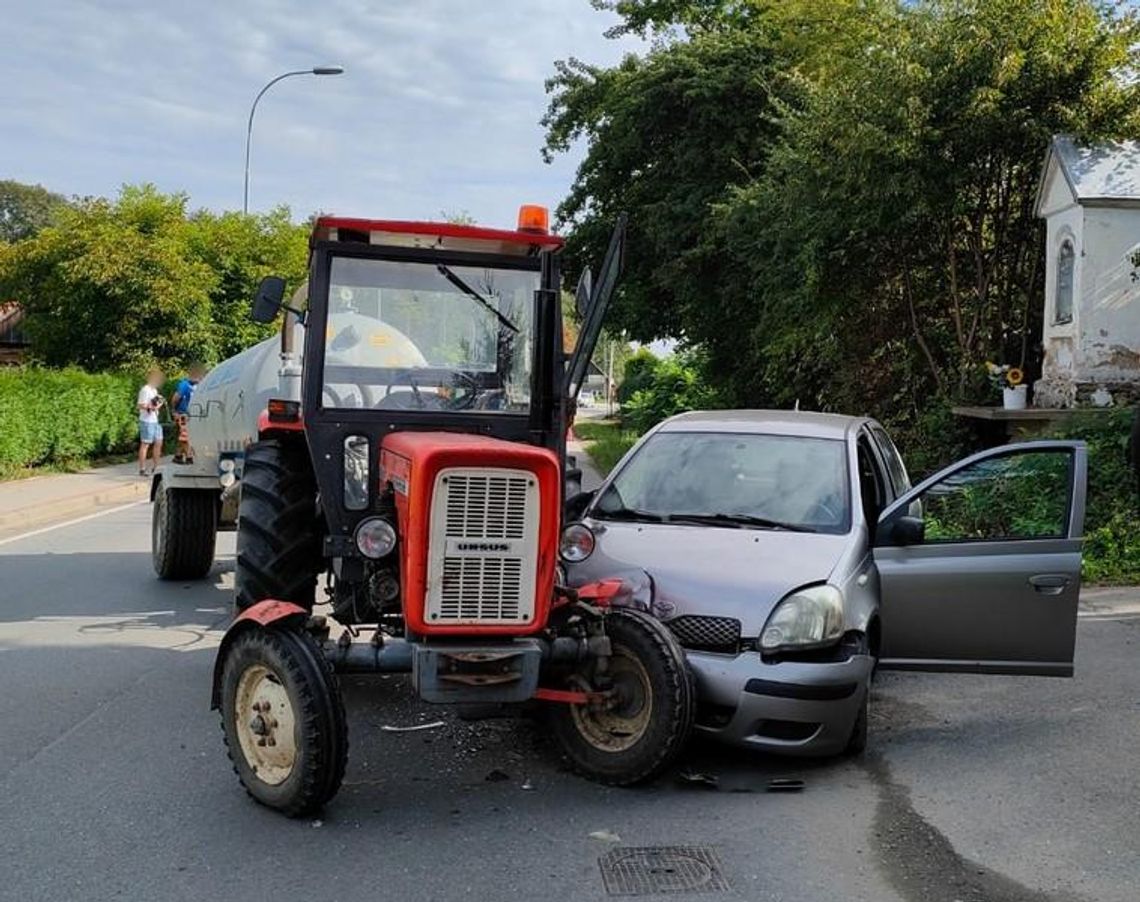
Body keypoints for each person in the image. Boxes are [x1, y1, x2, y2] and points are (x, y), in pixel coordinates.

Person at [170, 362, 205, 464]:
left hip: (193, 414)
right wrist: (174, 411)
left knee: (185, 436)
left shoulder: (199, 385)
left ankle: (178, 456)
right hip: (183, 414)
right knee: (185, 436)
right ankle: (189, 457)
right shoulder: (185, 385)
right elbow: (176, 398)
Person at [137, 368, 164, 476]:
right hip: (146, 421)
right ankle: (142, 469)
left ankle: (156, 467)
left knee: (159, 442)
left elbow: (156, 404)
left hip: (155, 420)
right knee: (145, 444)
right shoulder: (145, 390)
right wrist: (150, 407)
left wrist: (159, 403)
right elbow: (140, 405)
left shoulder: (154, 391)